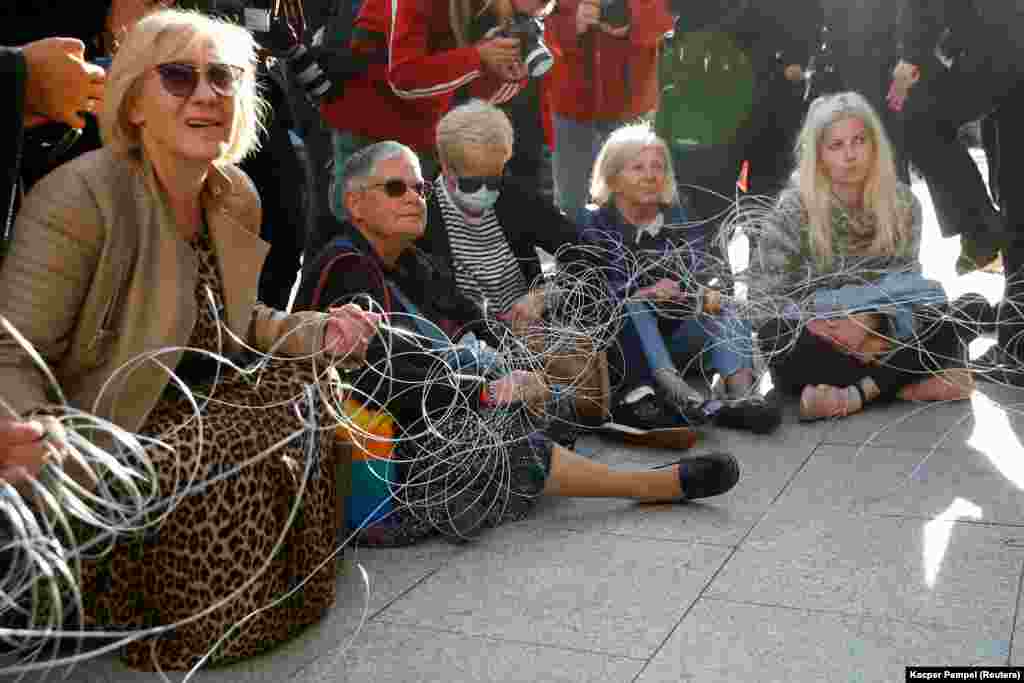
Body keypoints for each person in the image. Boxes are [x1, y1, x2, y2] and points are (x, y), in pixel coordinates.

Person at [0, 9, 379, 669]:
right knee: (210, 443)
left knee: (308, 384)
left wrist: (323, 330)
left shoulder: (233, 193)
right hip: (116, 425)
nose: (207, 94)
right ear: (134, 104)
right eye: (178, 77)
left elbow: (239, 322)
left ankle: (281, 591)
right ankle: (171, 618)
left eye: (224, 79)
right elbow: (14, 348)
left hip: (202, 396)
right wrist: (29, 428)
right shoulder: (79, 198)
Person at [293, 140, 740, 547]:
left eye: (418, 187)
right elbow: (377, 381)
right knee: (508, 444)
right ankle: (644, 486)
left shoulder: (407, 258)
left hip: (436, 401)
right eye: (395, 188)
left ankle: (490, 489)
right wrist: (485, 391)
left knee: (555, 405)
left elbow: (473, 316)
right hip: (374, 445)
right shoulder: (345, 269)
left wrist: (513, 368)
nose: (413, 197)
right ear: (355, 203)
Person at [752, 92, 990, 420]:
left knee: (969, 308)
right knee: (774, 336)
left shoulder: (903, 204)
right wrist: (829, 319)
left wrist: (872, 321)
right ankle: (906, 385)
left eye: (859, 141)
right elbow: (763, 302)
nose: (850, 155)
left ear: (875, 145)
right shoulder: (792, 211)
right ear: (818, 155)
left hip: (888, 333)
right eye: (836, 146)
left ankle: (855, 394)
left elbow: (910, 288)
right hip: (822, 337)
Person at [579, 123, 781, 436]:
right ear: (614, 176)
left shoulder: (675, 213)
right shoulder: (595, 220)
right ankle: (680, 394)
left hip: (678, 331)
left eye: (657, 167)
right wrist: (648, 291)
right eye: (638, 167)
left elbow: (703, 267)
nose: (650, 175)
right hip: (631, 346)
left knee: (726, 306)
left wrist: (704, 290)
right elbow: (600, 287)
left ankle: (742, 397)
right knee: (634, 304)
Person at [317, 0, 549, 223]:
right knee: (355, 226)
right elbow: (403, 78)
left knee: (407, 236)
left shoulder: (493, 13)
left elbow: (471, 94)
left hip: (423, 133)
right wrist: (478, 57)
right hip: (367, 125)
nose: (526, 19)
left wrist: (507, 73)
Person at [885, 0, 1022, 274]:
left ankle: (981, 232)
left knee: (919, 120)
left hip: (1000, 49)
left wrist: (911, 54)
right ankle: (988, 240)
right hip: (1003, 45)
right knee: (1012, 180)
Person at [542, 0, 674, 218]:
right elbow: (535, 19)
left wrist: (633, 20)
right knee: (570, 203)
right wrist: (572, 22)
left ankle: (629, 251)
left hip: (633, 109)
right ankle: (576, 250)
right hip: (572, 106)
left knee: (635, 201)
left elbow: (668, 14)